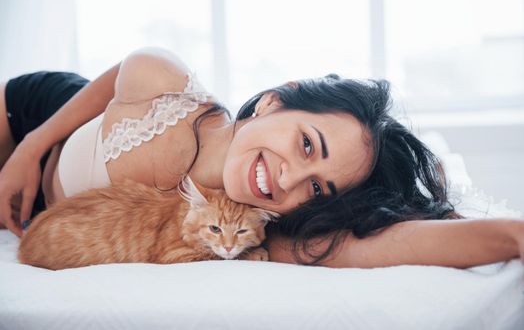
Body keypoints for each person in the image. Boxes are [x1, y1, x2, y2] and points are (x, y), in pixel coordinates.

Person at [0, 47, 522, 268]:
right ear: (274, 100)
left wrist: (514, 234)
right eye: (306, 144)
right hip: (35, 120)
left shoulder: (259, 227)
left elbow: (388, 246)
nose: (289, 178)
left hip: (47, 216)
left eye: (317, 188)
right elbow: (116, 78)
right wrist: (31, 145)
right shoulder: (164, 84)